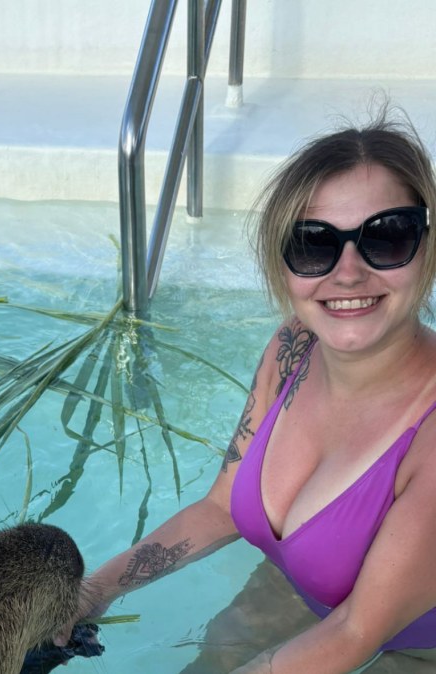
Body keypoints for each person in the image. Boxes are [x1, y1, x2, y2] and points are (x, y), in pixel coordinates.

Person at [63, 113, 436, 673]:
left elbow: (356, 631)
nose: (349, 272)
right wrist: (92, 593)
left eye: (388, 236)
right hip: (299, 589)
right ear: (282, 265)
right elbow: (221, 508)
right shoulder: (293, 347)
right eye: (314, 245)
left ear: (427, 248)